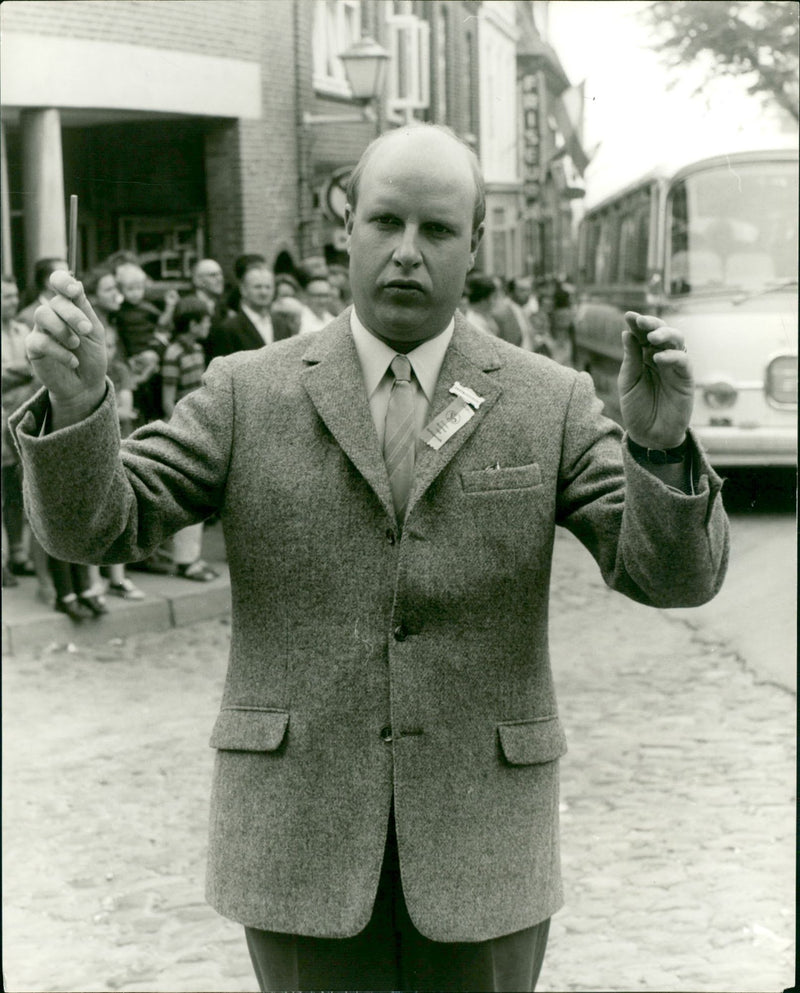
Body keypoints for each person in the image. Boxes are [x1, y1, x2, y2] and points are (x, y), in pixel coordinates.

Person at [16, 123, 729, 993]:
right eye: (385, 222)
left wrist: (658, 450)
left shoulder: (549, 401)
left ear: (473, 246)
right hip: (299, 843)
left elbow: (673, 575)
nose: (405, 253)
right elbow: (95, 528)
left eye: (435, 232)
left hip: (483, 850)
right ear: (344, 227)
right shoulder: (247, 392)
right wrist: (81, 399)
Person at [160, 296, 219, 582]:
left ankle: (193, 557)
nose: (208, 325)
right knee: (187, 496)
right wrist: (184, 430)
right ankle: (185, 561)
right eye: (204, 320)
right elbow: (168, 398)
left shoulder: (197, 349)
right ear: (192, 324)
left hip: (200, 425)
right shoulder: (174, 353)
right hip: (186, 430)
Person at [206, 263, 289, 360]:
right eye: (257, 287)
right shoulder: (228, 329)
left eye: (268, 287)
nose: (264, 292)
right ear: (243, 289)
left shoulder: (281, 324)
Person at [16, 257, 69, 330]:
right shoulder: (27, 317)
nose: (70, 280)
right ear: (48, 281)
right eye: (64, 276)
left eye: (70, 275)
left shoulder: (71, 309)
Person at [463, 272, 500, 336]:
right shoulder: (474, 327)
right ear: (483, 300)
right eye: (494, 297)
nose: (496, 301)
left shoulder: (485, 319)